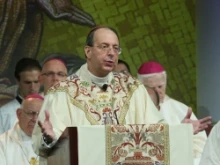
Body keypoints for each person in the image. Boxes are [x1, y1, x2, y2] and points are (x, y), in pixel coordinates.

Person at [32, 26, 164, 158]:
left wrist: (182, 133)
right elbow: (41, 144)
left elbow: (157, 132)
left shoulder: (133, 88)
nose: (111, 53)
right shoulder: (61, 93)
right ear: (88, 51)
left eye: (116, 48)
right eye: (104, 46)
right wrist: (48, 139)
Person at [137, 61, 212, 165]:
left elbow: (201, 146)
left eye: (160, 87)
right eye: (152, 88)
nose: (157, 92)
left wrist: (186, 136)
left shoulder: (181, 109)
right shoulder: (132, 111)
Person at [0, 94, 46, 165]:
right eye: (31, 113)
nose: (35, 119)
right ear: (19, 114)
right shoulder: (2, 143)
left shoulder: (52, 142)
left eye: (40, 114)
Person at [0, 58, 42, 134]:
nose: (32, 87)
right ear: (17, 81)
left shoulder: (51, 109)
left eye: (36, 82)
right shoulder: (4, 114)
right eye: (27, 82)